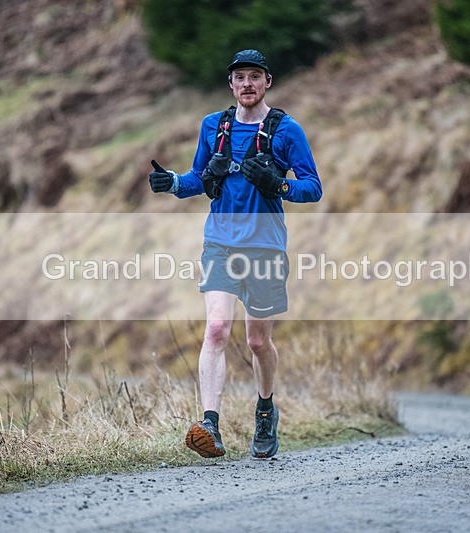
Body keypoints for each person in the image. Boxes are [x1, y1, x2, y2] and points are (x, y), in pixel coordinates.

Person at [148, 49, 322, 458]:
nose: (247, 84)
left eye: (254, 76)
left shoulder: (286, 130)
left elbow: (313, 187)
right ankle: (210, 424)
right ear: (230, 84)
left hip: (265, 245)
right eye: (240, 77)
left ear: (267, 82)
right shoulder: (214, 126)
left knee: (258, 341)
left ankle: (265, 410)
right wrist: (173, 182)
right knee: (216, 329)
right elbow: (200, 177)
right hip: (220, 243)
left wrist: (279, 185)